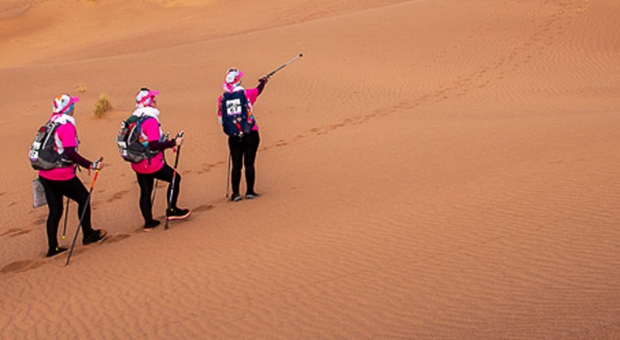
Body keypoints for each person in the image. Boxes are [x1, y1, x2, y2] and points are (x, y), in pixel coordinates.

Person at [38, 94, 107, 257]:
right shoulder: (67, 126)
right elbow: (70, 152)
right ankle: (88, 234)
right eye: (72, 105)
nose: (74, 107)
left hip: (44, 174)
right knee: (84, 198)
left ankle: (52, 247)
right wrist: (91, 165)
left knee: (55, 210)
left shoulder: (51, 123)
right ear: (68, 108)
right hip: (61, 175)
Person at [130, 88, 191, 231]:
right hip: (152, 163)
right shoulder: (150, 120)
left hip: (137, 162)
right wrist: (173, 143)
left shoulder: (134, 118)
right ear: (149, 103)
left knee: (145, 191)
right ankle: (172, 209)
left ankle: (148, 222)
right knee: (175, 178)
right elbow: (153, 145)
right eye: (153, 100)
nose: (155, 102)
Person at [217, 68, 268, 202]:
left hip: (233, 136)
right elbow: (259, 90)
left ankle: (236, 194)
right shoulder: (247, 94)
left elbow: (220, 119)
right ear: (238, 80)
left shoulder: (222, 98)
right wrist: (263, 81)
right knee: (249, 164)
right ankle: (250, 191)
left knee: (236, 165)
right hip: (250, 132)